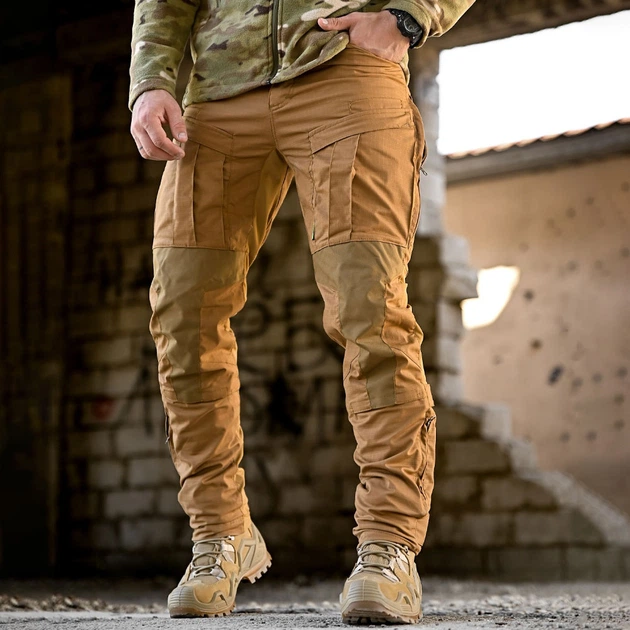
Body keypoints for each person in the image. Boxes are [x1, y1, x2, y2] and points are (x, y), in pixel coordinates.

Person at [129, 0, 474, 624]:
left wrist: (408, 15)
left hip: (344, 70)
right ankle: (219, 535)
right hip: (219, 90)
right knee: (182, 313)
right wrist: (151, 79)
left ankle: (389, 547)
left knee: (370, 309)